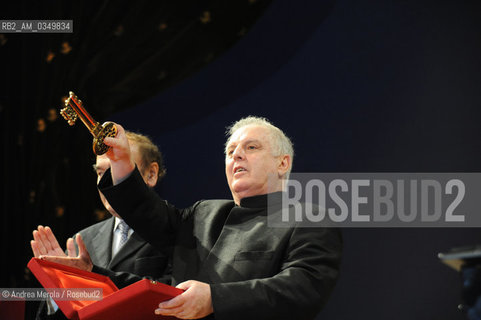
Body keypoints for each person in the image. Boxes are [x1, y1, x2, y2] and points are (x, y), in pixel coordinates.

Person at [42, 116, 342, 320]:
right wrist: (91, 275)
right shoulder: (204, 214)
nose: (236, 155)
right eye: (230, 150)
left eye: (251, 148)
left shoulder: (309, 220)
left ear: (283, 163)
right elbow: (149, 215)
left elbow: (302, 289)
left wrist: (215, 299)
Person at [31, 131, 171, 319]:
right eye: (101, 172)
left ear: (151, 174)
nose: (107, 182)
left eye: (118, 168)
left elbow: (172, 295)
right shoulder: (82, 240)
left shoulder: (175, 229)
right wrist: (58, 288)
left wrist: (93, 277)